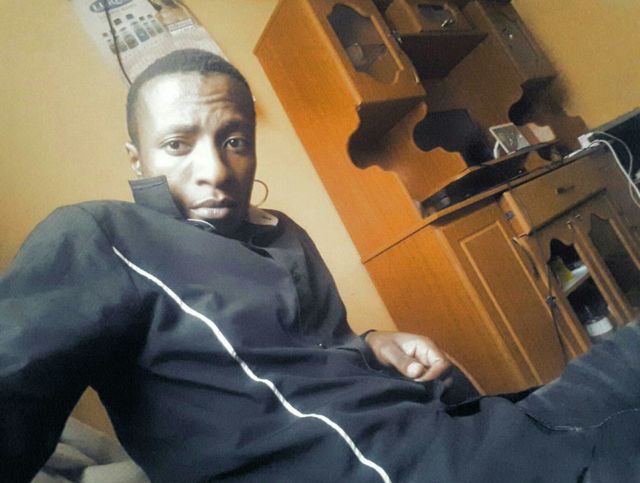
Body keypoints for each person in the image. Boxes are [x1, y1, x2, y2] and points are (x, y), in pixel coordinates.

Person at [1, 49, 639, 483]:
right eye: (176, 144)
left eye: (234, 140)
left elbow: (314, 356)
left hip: (472, 428)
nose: (216, 170)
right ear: (137, 158)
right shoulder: (101, 237)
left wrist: (372, 343)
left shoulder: (283, 235)